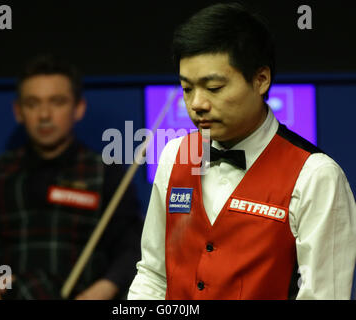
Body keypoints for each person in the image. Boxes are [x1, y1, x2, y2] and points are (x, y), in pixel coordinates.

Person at [128, 3, 356, 300]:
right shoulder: (175, 155)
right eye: (187, 88)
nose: (197, 103)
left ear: (261, 80)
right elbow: (153, 275)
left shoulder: (316, 177)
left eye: (214, 87)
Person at [0, 55, 143, 300]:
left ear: (78, 108)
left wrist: (105, 288)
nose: (44, 114)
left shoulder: (106, 172)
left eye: (57, 102)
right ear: (18, 111)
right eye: (32, 103)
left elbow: (132, 249)